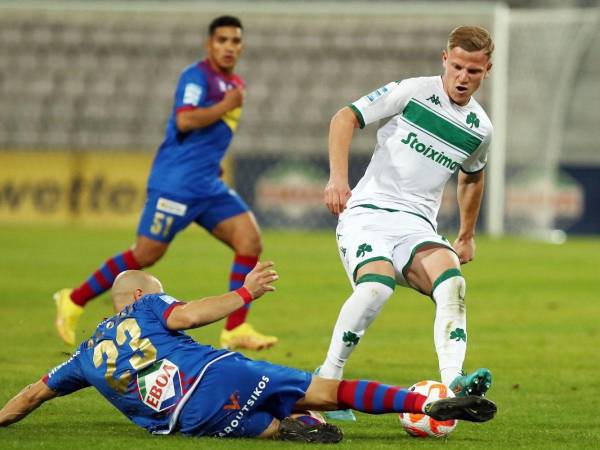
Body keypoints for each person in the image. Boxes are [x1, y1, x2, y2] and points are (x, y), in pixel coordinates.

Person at [0, 265, 497, 442]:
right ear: (136, 297)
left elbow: (30, 396)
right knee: (327, 391)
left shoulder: (84, 356)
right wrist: (246, 295)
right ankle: (424, 405)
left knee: (266, 420)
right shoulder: (148, 304)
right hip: (215, 372)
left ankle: (281, 430)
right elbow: (192, 316)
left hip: (184, 420)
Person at [53, 15, 277, 351]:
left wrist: (211, 163)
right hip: (176, 185)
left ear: (241, 46)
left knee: (249, 241)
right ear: (209, 44)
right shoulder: (197, 77)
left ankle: (235, 328)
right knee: (145, 254)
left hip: (207, 185)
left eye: (235, 41)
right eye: (222, 40)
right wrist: (225, 106)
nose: (229, 47)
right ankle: (73, 299)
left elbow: (209, 137)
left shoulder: (235, 84)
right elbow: (185, 120)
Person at [318, 26, 495, 421]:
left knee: (453, 282)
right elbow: (345, 117)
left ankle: (453, 385)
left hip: (417, 227)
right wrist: (338, 179)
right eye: (458, 67)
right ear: (444, 60)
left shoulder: (480, 129)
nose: (463, 78)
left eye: (474, 71)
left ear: (487, 71)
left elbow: (472, 176)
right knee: (376, 289)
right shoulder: (414, 92)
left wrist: (466, 236)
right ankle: (329, 377)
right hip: (368, 214)